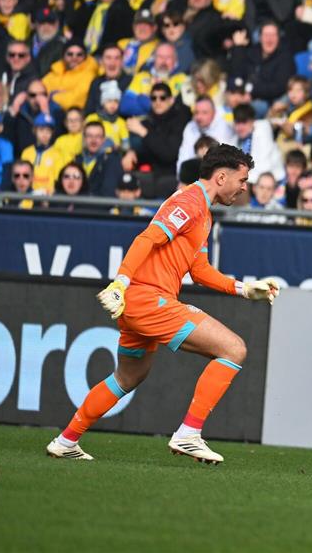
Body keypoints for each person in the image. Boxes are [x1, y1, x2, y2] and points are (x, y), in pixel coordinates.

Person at [46, 144, 279, 462]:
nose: (243, 188)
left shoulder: (203, 213)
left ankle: (66, 440)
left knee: (128, 377)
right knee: (234, 349)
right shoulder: (189, 201)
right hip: (147, 299)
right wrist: (121, 282)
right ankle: (188, 434)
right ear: (221, 176)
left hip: (138, 305)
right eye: (242, 180)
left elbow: (199, 272)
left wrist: (243, 289)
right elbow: (148, 237)